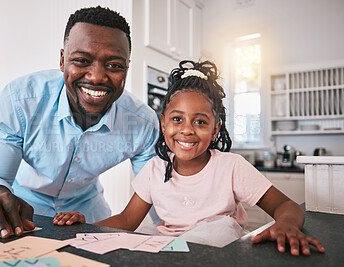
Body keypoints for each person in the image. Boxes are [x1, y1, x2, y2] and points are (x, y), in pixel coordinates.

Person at [53, 60, 325, 256]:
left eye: (200, 122)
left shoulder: (231, 167)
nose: (186, 130)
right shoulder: (154, 169)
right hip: (165, 246)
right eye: (177, 119)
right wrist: (84, 226)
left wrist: (286, 224)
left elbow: (286, 205)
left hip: (216, 250)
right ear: (163, 123)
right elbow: (126, 221)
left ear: (215, 128)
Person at [0, 6, 159, 239]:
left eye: (114, 65)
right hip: (22, 213)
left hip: (89, 218)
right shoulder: (21, 100)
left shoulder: (142, 123)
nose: (96, 77)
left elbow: (159, 195)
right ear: (63, 60)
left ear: (126, 68)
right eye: (82, 60)